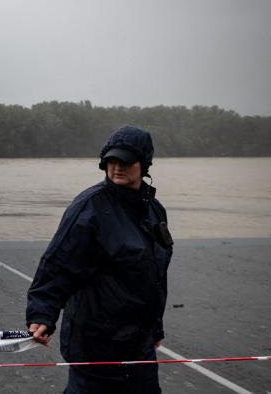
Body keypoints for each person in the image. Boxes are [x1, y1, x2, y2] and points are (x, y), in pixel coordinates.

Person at [26, 125, 173, 393]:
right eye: (111, 161)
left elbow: (154, 276)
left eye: (126, 161)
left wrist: (156, 327)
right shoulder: (89, 207)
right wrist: (42, 313)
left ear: (145, 164)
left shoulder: (154, 210)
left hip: (140, 346)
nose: (117, 167)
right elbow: (58, 264)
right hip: (96, 345)